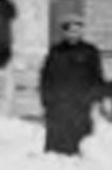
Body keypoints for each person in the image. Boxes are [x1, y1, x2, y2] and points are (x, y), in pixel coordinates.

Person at [39, 18, 105, 157]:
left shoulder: (90, 52)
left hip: (80, 104)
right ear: (65, 33)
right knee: (55, 149)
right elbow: (46, 77)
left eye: (77, 31)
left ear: (81, 32)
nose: (73, 34)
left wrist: (97, 98)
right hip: (59, 106)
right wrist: (46, 99)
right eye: (70, 31)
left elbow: (97, 76)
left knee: (80, 145)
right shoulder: (56, 52)